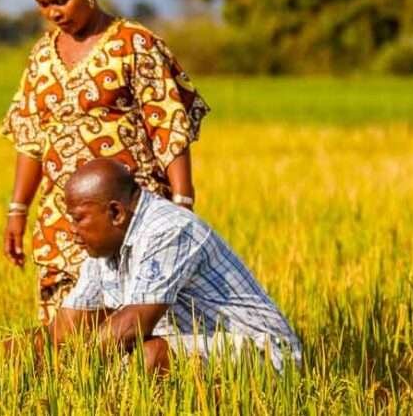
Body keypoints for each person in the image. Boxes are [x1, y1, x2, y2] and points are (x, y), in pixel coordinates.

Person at [1, 0, 210, 325]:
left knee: (132, 329)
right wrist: (17, 210)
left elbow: (169, 125)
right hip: (63, 222)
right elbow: (30, 138)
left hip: (125, 218)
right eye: (42, 4)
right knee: (67, 337)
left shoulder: (134, 44)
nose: (52, 13)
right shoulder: (41, 56)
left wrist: (182, 204)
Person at [49, 158, 302, 373]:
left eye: (78, 219)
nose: (72, 231)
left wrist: (73, 375)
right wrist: (25, 356)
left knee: (147, 358)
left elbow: (131, 326)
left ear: (116, 213)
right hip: (194, 344)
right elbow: (66, 328)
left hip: (266, 355)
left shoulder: (167, 229)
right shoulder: (104, 246)